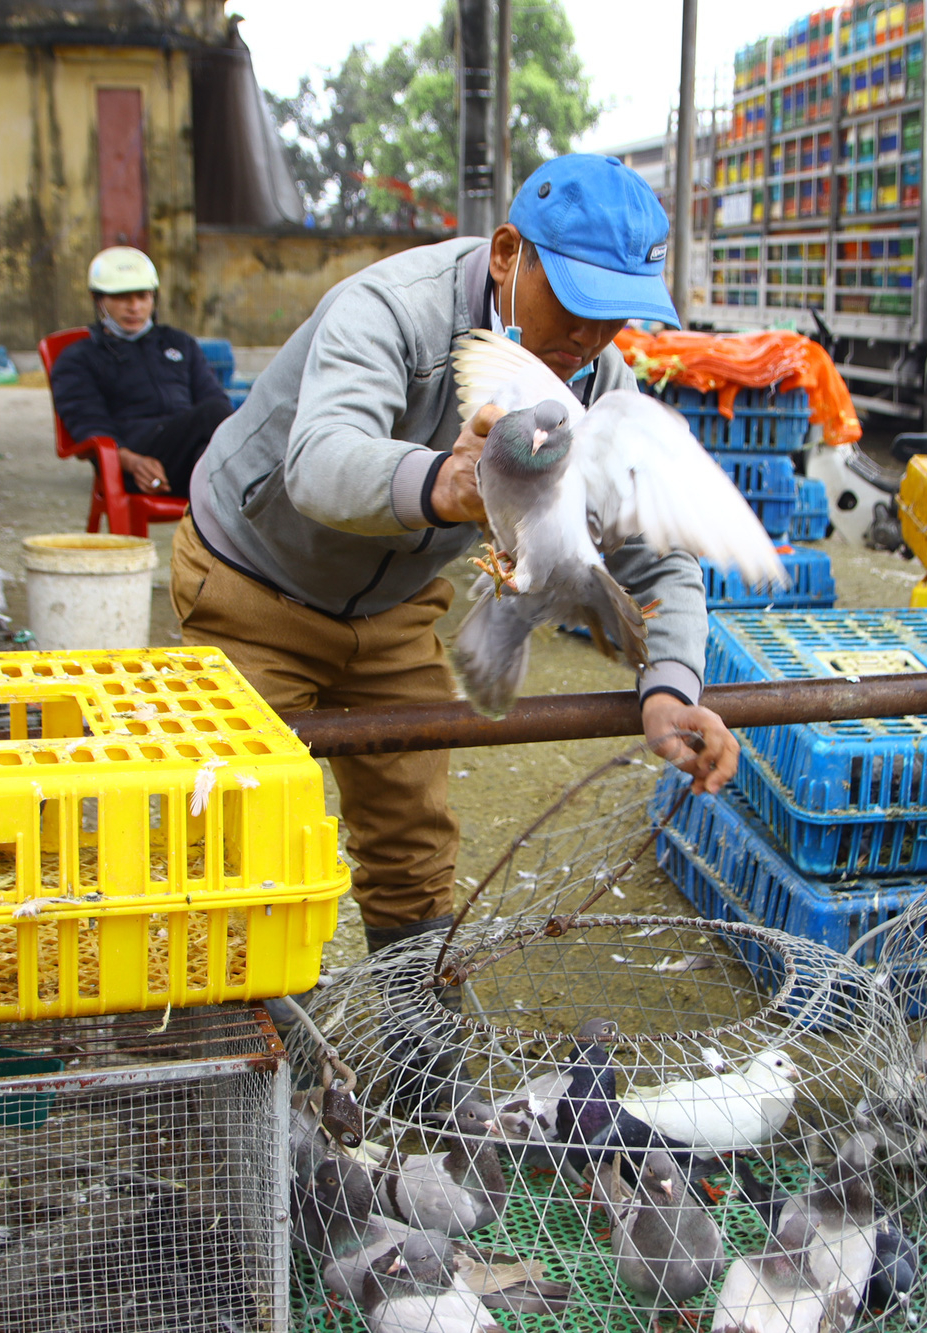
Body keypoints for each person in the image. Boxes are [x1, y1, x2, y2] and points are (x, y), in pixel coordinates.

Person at [173, 154, 740, 953]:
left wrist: (670, 687)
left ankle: (421, 1062)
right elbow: (320, 462)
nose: (588, 336)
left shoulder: (593, 378)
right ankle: (245, 1053)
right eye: (575, 302)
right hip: (254, 586)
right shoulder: (392, 310)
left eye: (615, 316)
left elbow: (654, 555)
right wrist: (450, 480)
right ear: (508, 253)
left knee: (412, 840)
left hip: (393, 608)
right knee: (234, 830)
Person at [49, 246, 233, 497]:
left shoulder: (179, 343)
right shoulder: (79, 357)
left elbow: (214, 396)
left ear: (153, 299)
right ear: (98, 300)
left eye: (142, 296)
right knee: (213, 420)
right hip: (131, 460)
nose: (134, 307)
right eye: (122, 297)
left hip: (187, 452)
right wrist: (132, 461)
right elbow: (89, 424)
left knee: (214, 437)